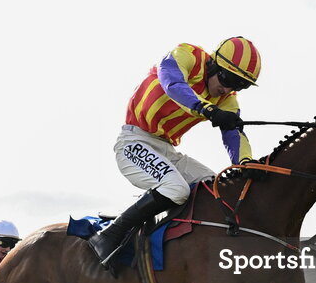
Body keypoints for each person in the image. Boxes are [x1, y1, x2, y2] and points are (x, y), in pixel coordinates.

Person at [86, 37, 262, 268]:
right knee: (176, 189)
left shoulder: (227, 99)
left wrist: (244, 164)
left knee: (216, 186)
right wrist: (206, 109)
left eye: (239, 85)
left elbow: (234, 134)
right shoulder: (186, 55)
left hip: (166, 149)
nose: (228, 89)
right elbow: (173, 84)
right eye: (227, 79)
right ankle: (109, 235)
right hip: (133, 140)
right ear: (213, 64)